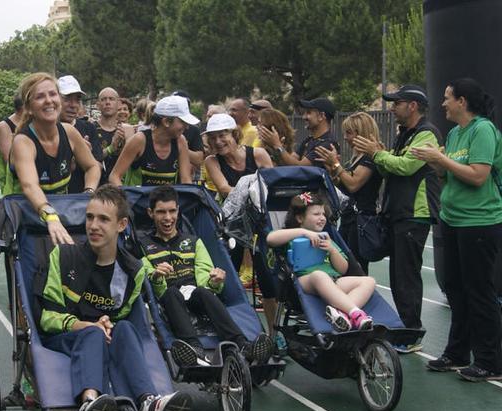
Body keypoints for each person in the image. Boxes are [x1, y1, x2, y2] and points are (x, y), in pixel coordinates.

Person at [37, 184, 193, 411]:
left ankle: (148, 402)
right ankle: (90, 403)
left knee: (127, 328)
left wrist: (105, 324)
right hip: (65, 337)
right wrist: (86, 325)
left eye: (103, 219)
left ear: (121, 225)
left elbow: (119, 315)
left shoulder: (134, 270)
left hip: (104, 336)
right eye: (89, 217)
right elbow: (47, 319)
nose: (93, 226)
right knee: (92, 333)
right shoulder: (64, 256)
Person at [410, 78, 502, 382]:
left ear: (462, 101)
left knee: (480, 292)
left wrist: (442, 159)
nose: (443, 103)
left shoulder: (483, 130)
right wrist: (433, 161)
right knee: (456, 289)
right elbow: (449, 173)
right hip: (453, 219)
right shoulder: (454, 133)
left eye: (448, 98)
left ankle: (489, 359)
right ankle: (457, 353)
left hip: (479, 221)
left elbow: (478, 176)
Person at [140, 186, 273, 366]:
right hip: (168, 299)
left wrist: (215, 281)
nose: (168, 218)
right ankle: (193, 348)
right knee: (171, 292)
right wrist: (156, 276)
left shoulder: (194, 242)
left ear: (178, 211)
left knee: (203, 292)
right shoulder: (143, 245)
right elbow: (150, 286)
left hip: (196, 295)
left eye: (172, 211)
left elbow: (205, 278)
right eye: (161, 212)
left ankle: (243, 345)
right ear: (150, 213)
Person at [352, 84, 440, 342]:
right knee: (398, 276)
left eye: (397, 103)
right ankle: (403, 326)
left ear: (412, 106)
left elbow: (405, 167)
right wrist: (381, 155)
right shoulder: (406, 134)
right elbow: (391, 167)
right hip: (398, 213)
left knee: (406, 275)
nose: (392, 108)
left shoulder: (427, 135)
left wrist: (377, 153)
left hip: (414, 214)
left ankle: (410, 333)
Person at [202, 113, 278, 328]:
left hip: (262, 226)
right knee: (226, 279)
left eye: (223, 135)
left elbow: (272, 188)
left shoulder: (260, 155)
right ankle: (230, 327)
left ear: (234, 134)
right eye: (213, 137)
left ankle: (274, 333)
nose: (218, 141)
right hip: (232, 228)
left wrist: (253, 194)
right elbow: (225, 190)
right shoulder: (211, 161)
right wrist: (255, 191)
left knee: (268, 283)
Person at [9, 72, 101, 245]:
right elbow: (30, 186)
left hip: (63, 217)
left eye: (52, 94)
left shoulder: (69, 132)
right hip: (29, 222)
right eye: (40, 97)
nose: (49, 100)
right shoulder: (23, 142)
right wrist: (50, 215)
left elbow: (92, 167)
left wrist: (88, 193)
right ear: (28, 108)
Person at [267, 193, 376, 332]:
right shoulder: (292, 236)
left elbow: (343, 270)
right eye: (316, 214)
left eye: (323, 214)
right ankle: (355, 313)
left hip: (332, 281)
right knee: (319, 275)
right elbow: (270, 238)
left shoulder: (326, 238)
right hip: (304, 282)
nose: (322, 218)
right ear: (300, 218)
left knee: (369, 281)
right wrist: (303, 232)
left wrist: (332, 250)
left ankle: (342, 314)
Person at [315, 112, 383, 274]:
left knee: (355, 267)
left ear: (362, 134)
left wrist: (336, 164)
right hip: (349, 218)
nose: (345, 137)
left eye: (349, 133)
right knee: (342, 263)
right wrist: (331, 169)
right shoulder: (355, 159)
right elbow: (344, 186)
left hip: (361, 220)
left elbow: (353, 185)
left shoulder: (369, 158)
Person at [108, 95, 195, 187]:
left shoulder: (181, 141)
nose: (187, 126)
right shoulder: (139, 140)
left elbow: (186, 180)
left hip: (169, 200)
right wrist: (127, 198)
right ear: (166, 122)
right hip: (139, 199)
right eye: (182, 122)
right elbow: (114, 176)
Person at [261, 98, 339, 167]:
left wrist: (277, 145)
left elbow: (299, 167)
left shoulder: (327, 144)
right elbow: (291, 161)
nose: (304, 117)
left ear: (321, 116)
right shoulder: (309, 140)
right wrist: (277, 149)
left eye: (308, 113)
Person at [58, 75, 102, 194]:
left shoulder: (89, 128)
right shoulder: (44, 132)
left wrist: (85, 154)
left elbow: (97, 165)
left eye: (77, 99)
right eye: (67, 99)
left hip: (79, 199)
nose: (73, 105)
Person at [0, 94, 24, 196]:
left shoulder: (31, 124)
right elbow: (9, 160)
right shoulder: (4, 126)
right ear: (23, 107)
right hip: (12, 189)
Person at [95, 87, 126, 184]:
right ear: (98, 105)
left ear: (119, 104)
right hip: (97, 186)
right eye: (103, 99)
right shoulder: (90, 128)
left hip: (119, 186)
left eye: (111, 99)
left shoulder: (125, 129)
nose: (107, 102)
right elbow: (92, 159)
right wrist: (111, 148)